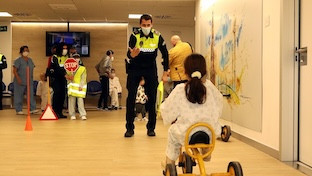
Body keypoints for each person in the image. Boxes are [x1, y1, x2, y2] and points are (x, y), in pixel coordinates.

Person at [160, 53, 224, 166]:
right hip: (209, 132)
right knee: (210, 127)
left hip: (186, 133)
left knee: (172, 133)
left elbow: (167, 110)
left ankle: (168, 164)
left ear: (185, 72)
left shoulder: (180, 89)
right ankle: (206, 153)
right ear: (205, 72)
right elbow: (219, 106)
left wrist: (169, 116)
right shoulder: (210, 87)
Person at [125, 14, 169, 137]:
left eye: (148, 25)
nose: (146, 27)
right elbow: (129, 54)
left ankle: (151, 128)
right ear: (140, 25)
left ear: (152, 24)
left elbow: (165, 54)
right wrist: (132, 55)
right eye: (144, 25)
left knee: (152, 99)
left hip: (150, 69)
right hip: (135, 68)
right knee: (131, 98)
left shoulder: (157, 36)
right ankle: (129, 128)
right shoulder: (134, 35)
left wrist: (166, 71)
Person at [13, 46, 39, 115]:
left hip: (29, 80)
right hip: (20, 80)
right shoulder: (18, 60)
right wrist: (18, 78)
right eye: (24, 50)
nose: (26, 52)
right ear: (21, 52)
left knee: (31, 95)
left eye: (27, 50)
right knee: (19, 95)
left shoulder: (30, 60)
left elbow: (32, 69)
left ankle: (32, 109)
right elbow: (14, 71)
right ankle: (18, 109)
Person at [49, 42, 68, 118]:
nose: (65, 50)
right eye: (64, 48)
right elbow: (57, 68)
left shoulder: (67, 57)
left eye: (66, 48)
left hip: (64, 79)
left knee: (62, 95)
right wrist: (64, 74)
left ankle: (60, 112)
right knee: (57, 95)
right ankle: (55, 112)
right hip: (56, 79)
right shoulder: (55, 57)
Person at [66, 53, 87, 120]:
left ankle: (82, 114)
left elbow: (84, 78)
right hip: (72, 87)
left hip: (79, 88)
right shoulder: (68, 68)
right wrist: (70, 76)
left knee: (80, 101)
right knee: (71, 101)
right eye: (74, 58)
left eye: (77, 58)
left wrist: (81, 85)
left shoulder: (82, 68)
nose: (76, 59)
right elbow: (67, 77)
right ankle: (72, 114)